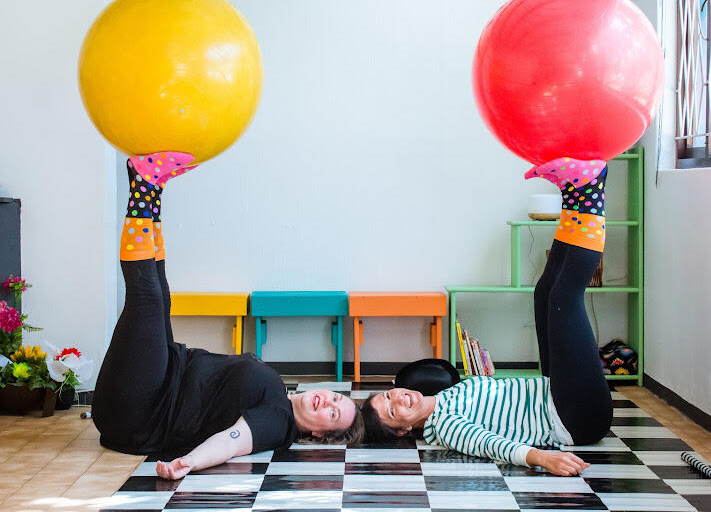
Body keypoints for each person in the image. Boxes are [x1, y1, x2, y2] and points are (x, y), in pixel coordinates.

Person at [92, 152, 364, 481]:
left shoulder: (278, 422)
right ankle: (150, 188)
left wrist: (190, 462)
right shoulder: (280, 395)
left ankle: (145, 187)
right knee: (160, 294)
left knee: (146, 296)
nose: (327, 402)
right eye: (335, 398)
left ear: (319, 435)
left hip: (142, 410)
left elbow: (232, 441)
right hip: (165, 376)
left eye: (332, 415)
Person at [361, 158, 613, 477]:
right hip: (573, 417)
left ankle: (573, 194)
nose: (398, 400)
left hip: (554, 393)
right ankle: (591, 191)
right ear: (403, 430)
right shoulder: (445, 426)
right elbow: (489, 443)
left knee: (544, 293)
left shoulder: (446, 396)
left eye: (388, 396)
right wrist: (542, 458)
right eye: (393, 412)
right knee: (564, 298)